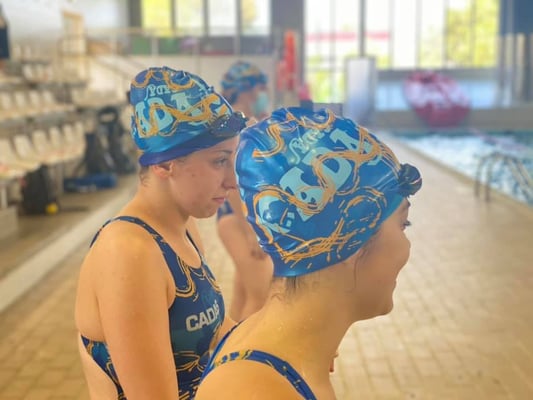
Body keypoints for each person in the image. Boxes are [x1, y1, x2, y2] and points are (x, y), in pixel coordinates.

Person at [196, 107, 422, 399]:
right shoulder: (257, 391)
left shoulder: (278, 354)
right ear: (351, 241)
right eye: (403, 224)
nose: (407, 246)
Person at [75, 66, 246, 400]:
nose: (233, 181)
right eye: (219, 161)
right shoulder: (129, 253)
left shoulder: (182, 228)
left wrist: (282, 351)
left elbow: (217, 332)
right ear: (165, 164)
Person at [217, 60, 273, 321]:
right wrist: (251, 232)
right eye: (261, 88)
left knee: (244, 295)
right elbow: (234, 183)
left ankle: (228, 345)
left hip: (246, 216)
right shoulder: (238, 128)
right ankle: (246, 347)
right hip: (238, 217)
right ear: (247, 91)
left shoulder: (248, 123)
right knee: (261, 297)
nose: (264, 94)